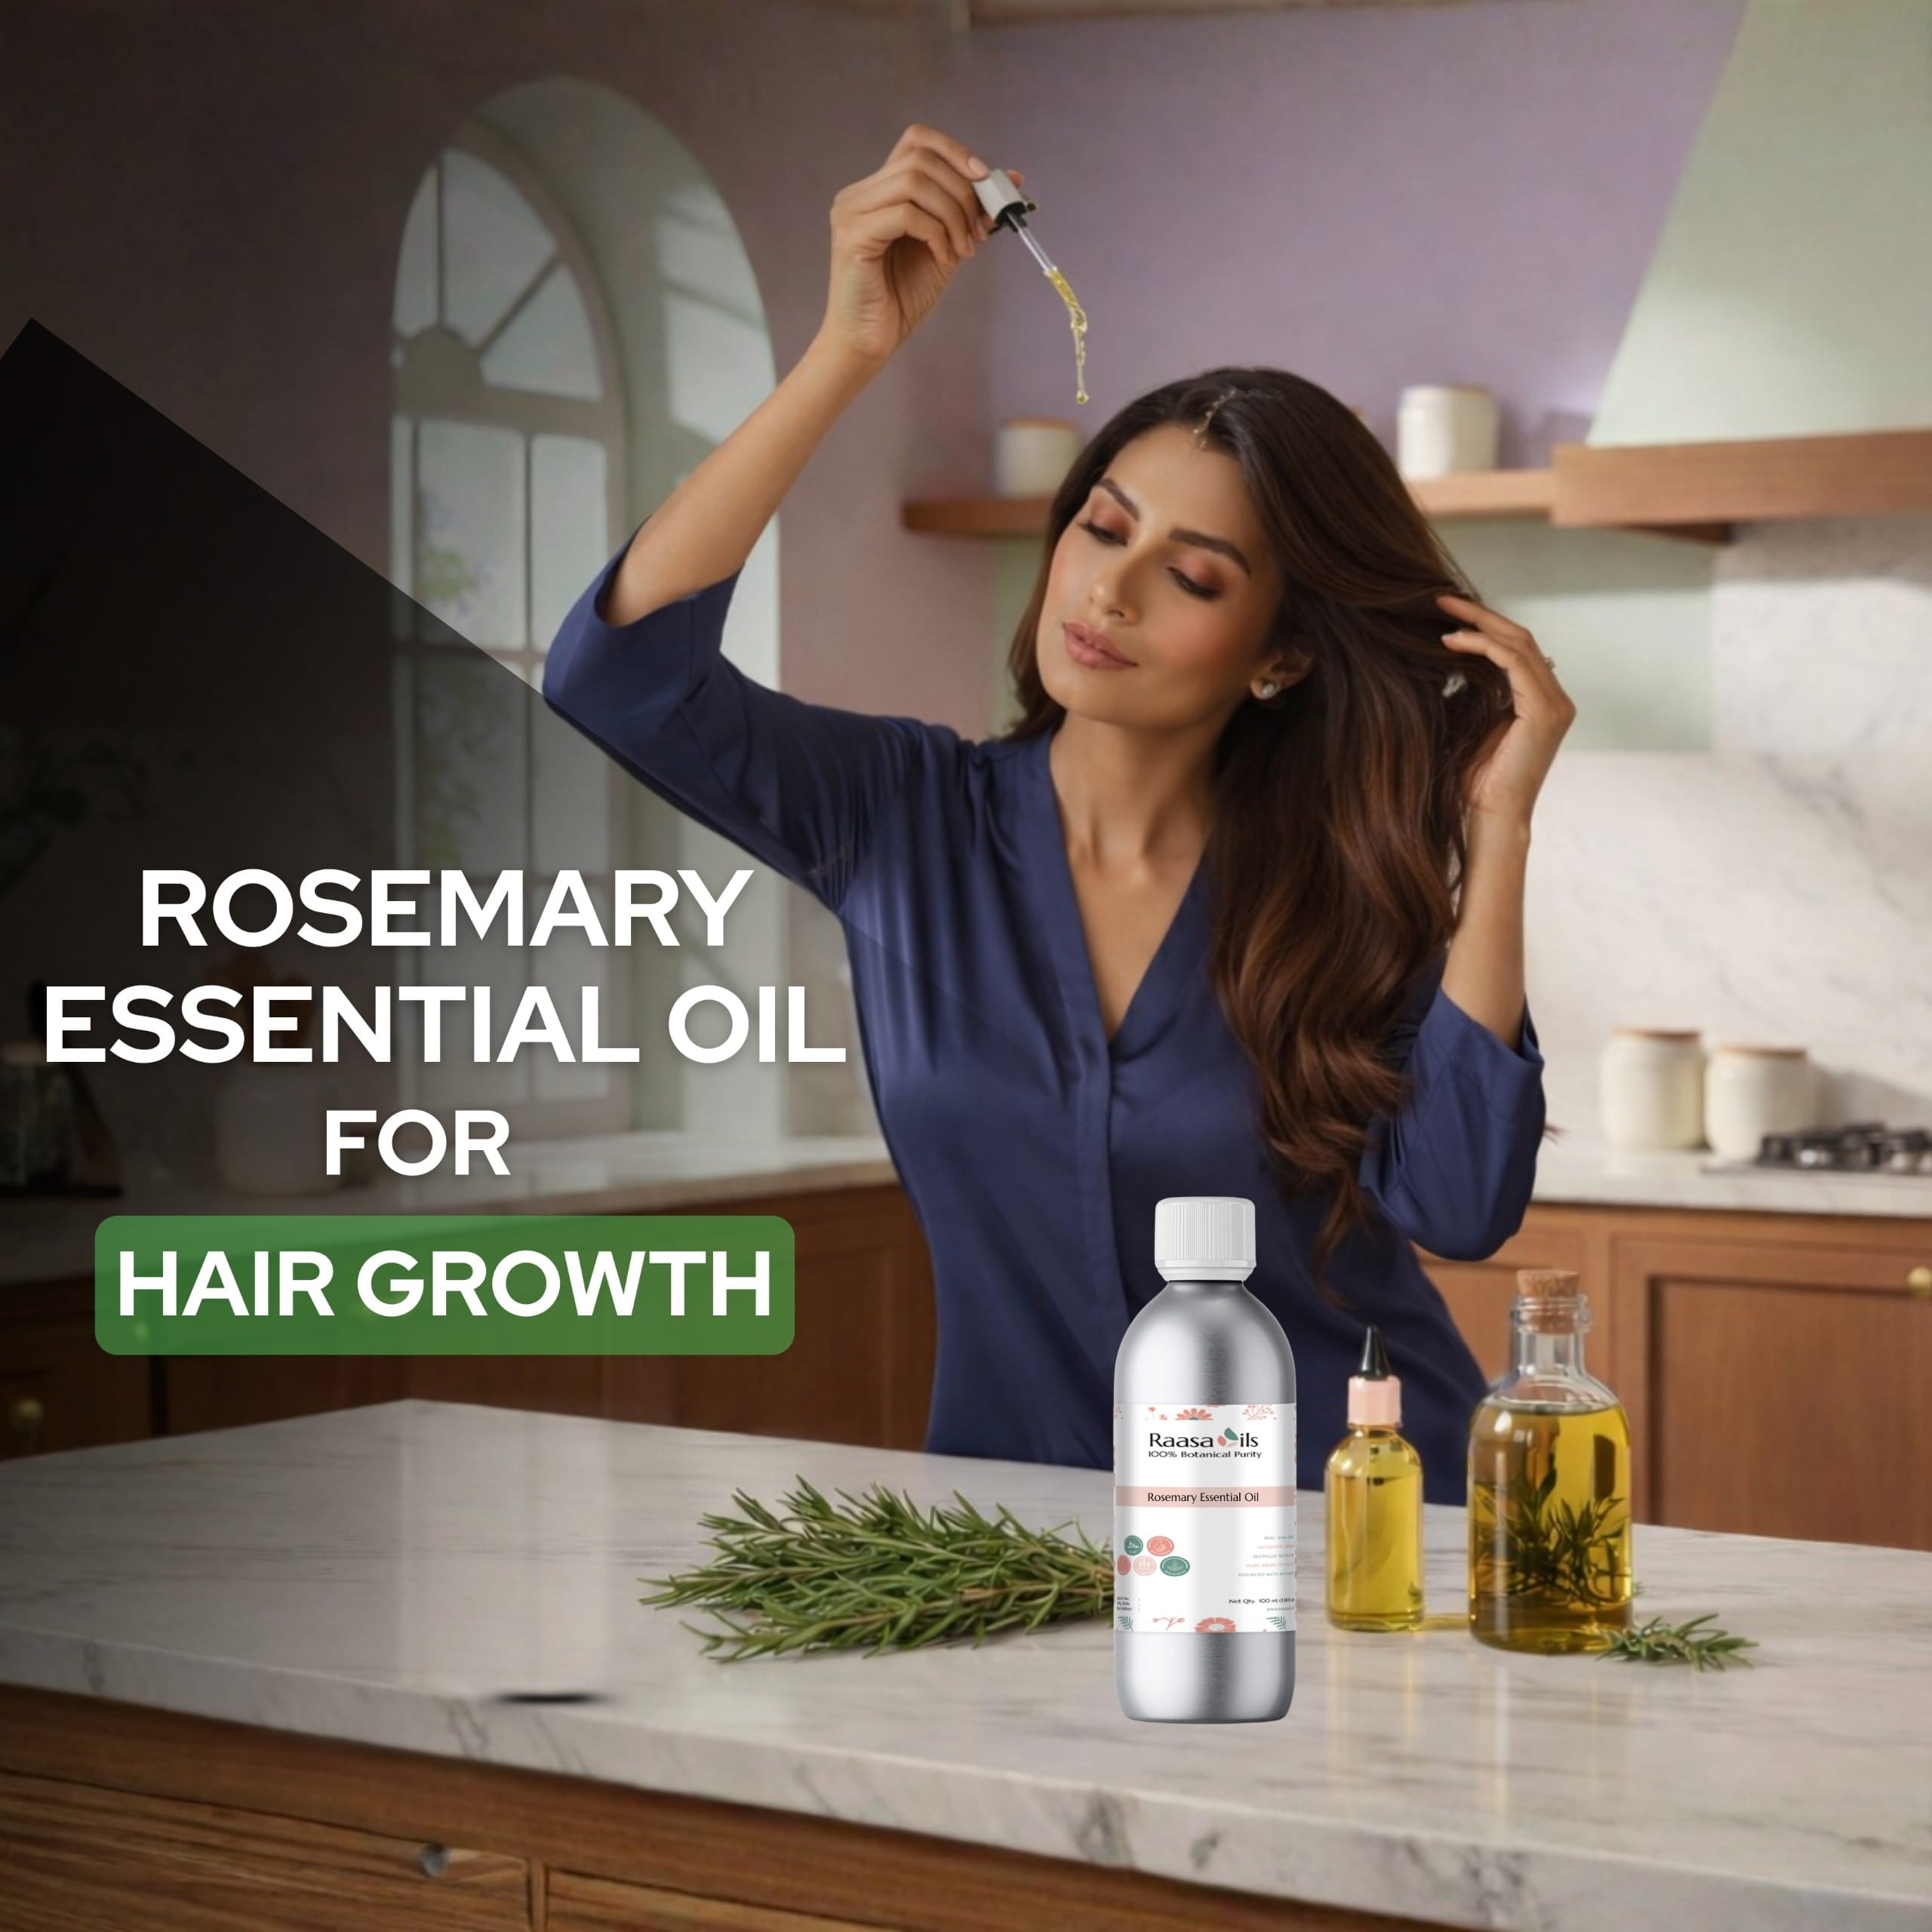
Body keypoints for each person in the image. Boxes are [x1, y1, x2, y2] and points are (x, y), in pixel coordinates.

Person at [541, 125, 1574, 1503]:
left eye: (1192, 576)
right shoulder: (904, 818)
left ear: (1279, 657)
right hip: (1015, 1541)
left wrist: (1497, 829)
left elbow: (1456, 1204)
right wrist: (846, 353)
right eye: (1104, 526)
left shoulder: (1340, 893)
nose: (1112, 591)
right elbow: (618, 675)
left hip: (1356, 1537)